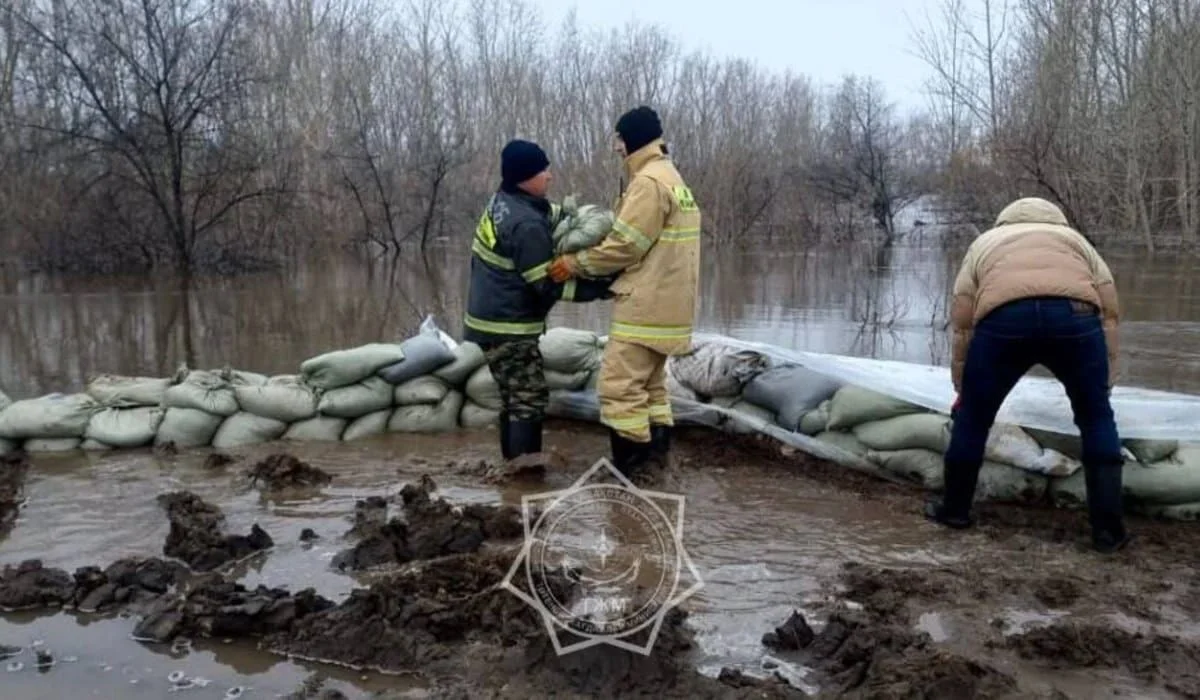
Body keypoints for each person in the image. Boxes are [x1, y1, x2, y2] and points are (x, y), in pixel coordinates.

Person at [925, 196, 1129, 553]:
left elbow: (962, 320)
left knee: (973, 420)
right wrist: (1103, 384)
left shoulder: (985, 242)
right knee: (1097, 420)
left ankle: (954, 512)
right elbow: (1109, 312)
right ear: (1057, 219)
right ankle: (1108, 533)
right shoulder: (1076, 241)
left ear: (1004, 220)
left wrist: (963, 387)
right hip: (1075, 318)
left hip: (1005, 319)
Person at [548, 106, 701, 477]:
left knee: (618, 388)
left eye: (618, 138)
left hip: (645, 305)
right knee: (650, 388)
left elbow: (625, 246)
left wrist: (576, 263)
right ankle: (657, 465)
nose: (616, 147)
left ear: (631, 137)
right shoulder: (672, 178)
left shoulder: (648, 183)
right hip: (672, 306)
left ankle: (631, 475)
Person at [464, 139, 614, 462]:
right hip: (507, 326)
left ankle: (512, 470)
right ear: (525, 177)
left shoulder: (507, 201)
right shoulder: (526, 225)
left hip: (492, 320)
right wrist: (603, 289)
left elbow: (555, 215)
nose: (550, 175)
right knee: (527, 399)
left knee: (514, 397)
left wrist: (587, 221)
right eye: (543, 170)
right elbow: (547, 285)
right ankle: (524, 478)